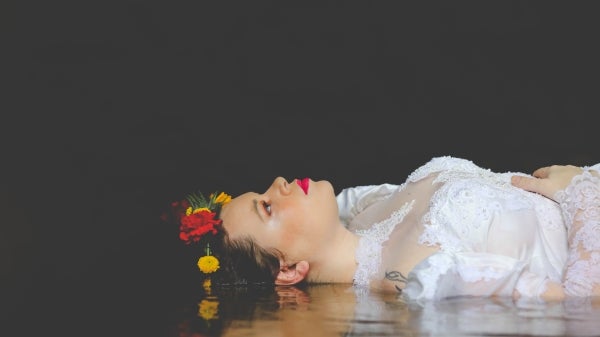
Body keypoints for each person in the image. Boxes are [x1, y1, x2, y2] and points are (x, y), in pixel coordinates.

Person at [164, 156, 600, 302]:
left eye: (261, 192)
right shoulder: (421, 276)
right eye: (266, 208)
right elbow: (583, 302)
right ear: (288, 270)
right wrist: (580, 190)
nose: (277, 186)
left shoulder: (363, 211)